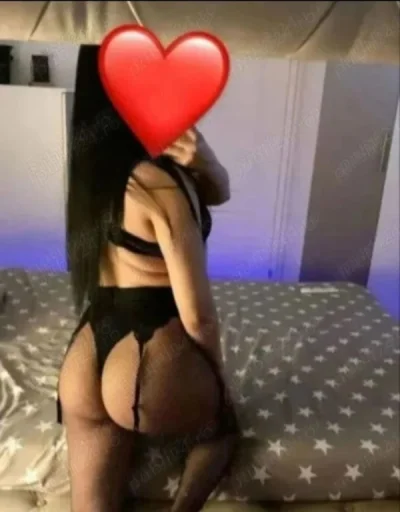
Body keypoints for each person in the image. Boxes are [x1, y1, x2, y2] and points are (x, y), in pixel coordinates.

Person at [57, 44, 240, 512]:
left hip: (84, 360)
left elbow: (217, 191)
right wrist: (217, 378)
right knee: (222, 429)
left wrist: (208, 162)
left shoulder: (91, 176)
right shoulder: (160, 184)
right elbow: (198, 316)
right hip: (146, 364)